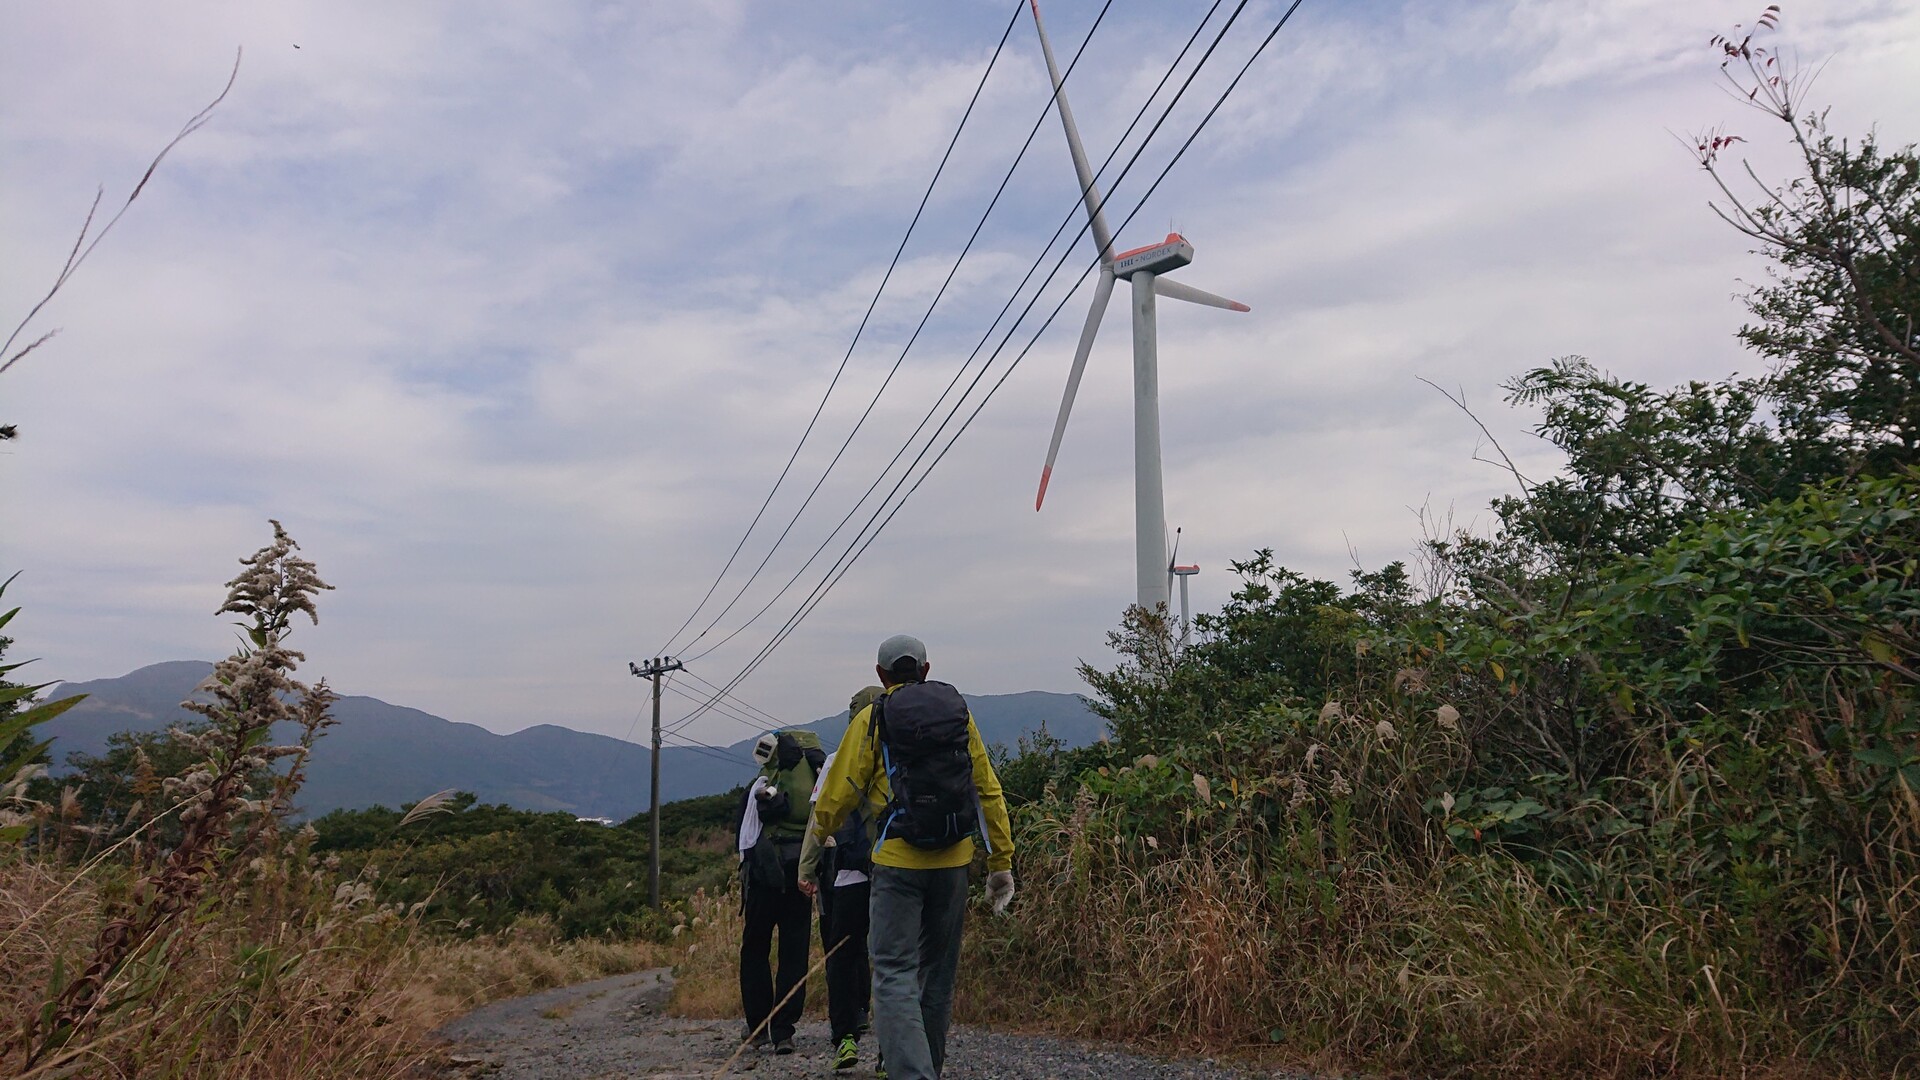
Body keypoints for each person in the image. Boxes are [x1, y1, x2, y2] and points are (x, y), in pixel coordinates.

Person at [812, 635, 1015, 1080]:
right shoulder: (958, 714)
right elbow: (987, 788)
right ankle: (929, 1069)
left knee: (893, 972)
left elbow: (837, 794)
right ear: (925, 670)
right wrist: (1001, 859)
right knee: (936, 977)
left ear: (881, 676)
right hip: (954, 861)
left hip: (897, 862)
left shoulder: (873, 717)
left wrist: (813, 852)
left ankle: (913, 1075)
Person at [800, 685, 884, 1071]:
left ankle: (845, 1039)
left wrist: (806, 869)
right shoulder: (901, 753)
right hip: (895, 871)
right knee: (892, 960)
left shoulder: (836, 760)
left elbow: (819, 820)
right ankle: (890, 1053)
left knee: (841, 956)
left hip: (849, 873)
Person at [735, 728, 824, 1054]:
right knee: (794, 949)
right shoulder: (816, 782)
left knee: (755, 946)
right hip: (800, 868)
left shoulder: (764, 781)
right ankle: (784, 1030)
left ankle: (757, 1027)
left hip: (765, 872)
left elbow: (744, 836)